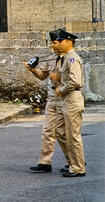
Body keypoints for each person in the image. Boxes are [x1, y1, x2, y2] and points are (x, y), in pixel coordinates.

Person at [24, 29, 70, 173]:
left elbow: (75, 80)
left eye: (56, 43)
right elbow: (43, 75)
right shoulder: (51, 58)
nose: (53, 46)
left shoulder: (71, 58)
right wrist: (32, 69)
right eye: (52, 43)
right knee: (48, 131)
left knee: (63, 133)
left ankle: (74, 160)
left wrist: (60, 80)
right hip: (52, 96)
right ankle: (45, 163)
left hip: (66, 96)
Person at [53, 29, 86, 177]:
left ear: (69, 42)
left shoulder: (72, 58)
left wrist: (62, 89)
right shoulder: (66, 57)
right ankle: (72, 162)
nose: (57, 44)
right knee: (60, 132)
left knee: (73, 135)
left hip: (71, 98)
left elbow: (75, 81)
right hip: (65, 99)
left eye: (60, 42)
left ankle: (78, 167)